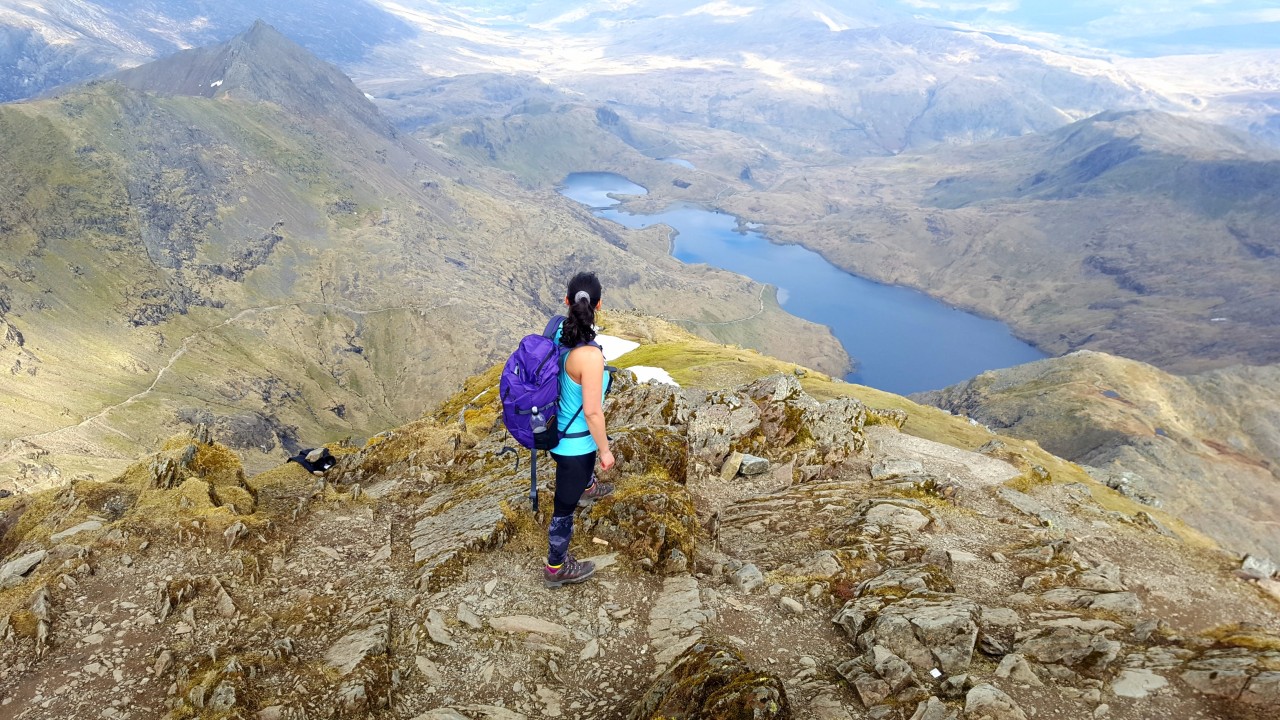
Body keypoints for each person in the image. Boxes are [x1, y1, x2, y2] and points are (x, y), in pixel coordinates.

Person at [544, 271, 616, 588]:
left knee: (574, 482)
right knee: (563, 508)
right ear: (598, 305)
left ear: (567, 301)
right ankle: (556, 567)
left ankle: (587, 487)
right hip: (575, 446)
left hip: (551, 432)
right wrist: (605, 451)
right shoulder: (590, 356)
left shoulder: (557, 328)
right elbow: (592, 412)